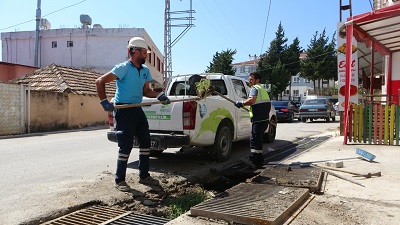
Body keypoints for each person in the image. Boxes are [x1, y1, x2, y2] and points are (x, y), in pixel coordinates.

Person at [95, 37, 170, 192]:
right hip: (124, 109)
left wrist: (158, 96)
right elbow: (100, 81)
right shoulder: (122, 68)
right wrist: (104, 102)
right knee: (126, 144)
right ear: (135, 52)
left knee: (145, 140)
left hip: (137, 109)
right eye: (144, 53)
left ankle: (144, 176)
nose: (146, 56)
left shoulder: (145, 71)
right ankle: (120, 180)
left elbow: (145, 91)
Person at [234, 72, 271, 169]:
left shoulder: (254, 89)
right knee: (258, 140)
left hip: (258, 119)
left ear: (257, 80)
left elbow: (252, 101)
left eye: (251, 79)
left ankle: (254, 160)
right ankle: (259, 159)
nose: (249, 80)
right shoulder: (263, 90)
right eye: (249, 79)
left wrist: (241, 103)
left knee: (254, 139)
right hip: (264, 119)